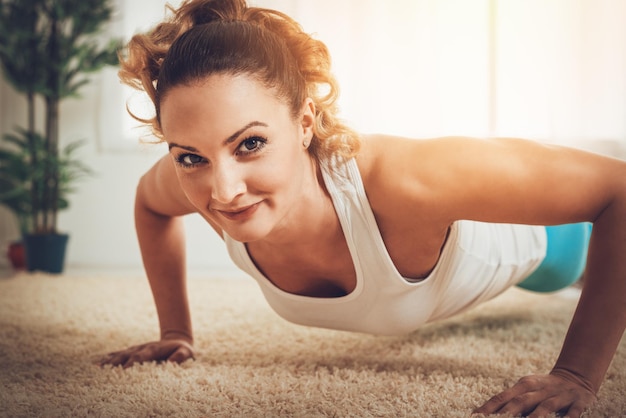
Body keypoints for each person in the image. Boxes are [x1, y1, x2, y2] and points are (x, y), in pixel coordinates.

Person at [100, 0, 626, 416]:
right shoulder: (195, 176)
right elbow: (151, 206)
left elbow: (618, 191)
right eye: (191, 156)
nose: (224, 190)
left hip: (554, 245)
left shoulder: (404, 179)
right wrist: (175, 332)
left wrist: (577, 374)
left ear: (305, 122)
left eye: (250, 144)